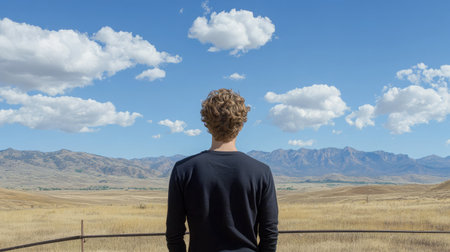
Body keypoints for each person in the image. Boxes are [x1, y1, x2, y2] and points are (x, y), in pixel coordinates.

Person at [166, 88, 278, 252]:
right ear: (241, 124)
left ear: (207, 123)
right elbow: (269, 235)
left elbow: (174, 235)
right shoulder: (261, 172)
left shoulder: (184, 170)